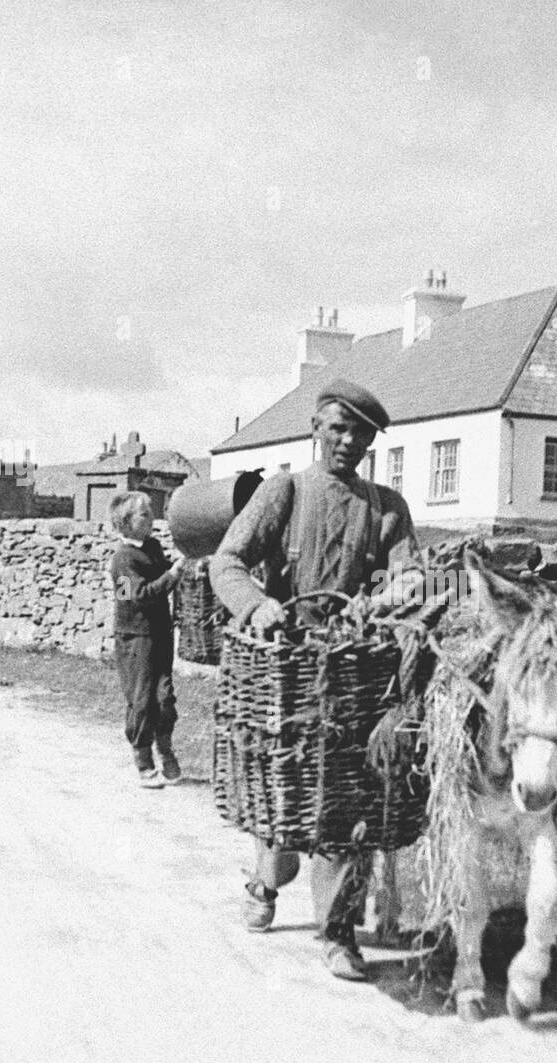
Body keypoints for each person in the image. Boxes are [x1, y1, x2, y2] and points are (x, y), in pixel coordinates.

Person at [210, 379, 424, 981]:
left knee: (348, 806)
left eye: (360, 433)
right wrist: (256, 605)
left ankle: (338, 935)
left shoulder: (386, 507)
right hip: (285, 671)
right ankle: (264, 878)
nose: (348, 441)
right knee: (285, 800)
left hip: (356, 676)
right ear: (315, 428)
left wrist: (397, 591)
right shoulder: (285, 491)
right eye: (338, 428)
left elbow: (410, 574)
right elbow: (227, 561)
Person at [108, 490, 186, 789]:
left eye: (151, 511)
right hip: (135, 639)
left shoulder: (152, 547)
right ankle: (143, 759)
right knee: (141, 700)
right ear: (126, 522)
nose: (152, 518)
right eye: (144, 513)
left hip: (159, 634)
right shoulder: (122, 560)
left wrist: (176, 568)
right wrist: (172, 577)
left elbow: (162, 574)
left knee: (164, 697)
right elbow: (135, 598)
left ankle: (165, 749)